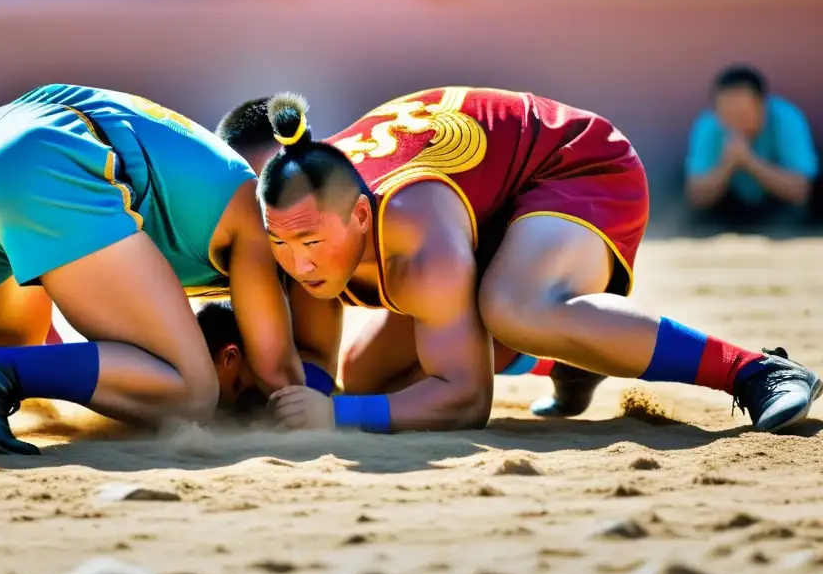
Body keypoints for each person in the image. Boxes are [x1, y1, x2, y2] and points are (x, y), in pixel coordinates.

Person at [241, 89, 819, 434]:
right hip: (486, 202)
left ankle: (754, 369)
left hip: (575, 165)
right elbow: (315, 354)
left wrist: (336, 418)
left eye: (311, 245)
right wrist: (304, 404)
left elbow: (465, 401)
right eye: (280, 244)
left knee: (513, 306)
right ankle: (570, 358)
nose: (299, 265)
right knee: (370, 377)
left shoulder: (415, 231)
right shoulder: (305, 212)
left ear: (360, 220)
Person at [0, 84, 304, 455]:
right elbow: (279, 373)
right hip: (44, 161)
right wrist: (334, 411)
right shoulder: (251, 205)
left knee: (10, 339)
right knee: (195, 391)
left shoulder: (200, 168)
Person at [685, 65, 818, 229]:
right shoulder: (708, 126)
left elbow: (801, 192)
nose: (734, 121)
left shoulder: (787, 120)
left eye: (742, 113)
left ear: (762, 105)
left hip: (776, 208)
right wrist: (727, 165)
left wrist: (749, 160)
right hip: (730, 206)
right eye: (727, 113)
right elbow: (697, 196)